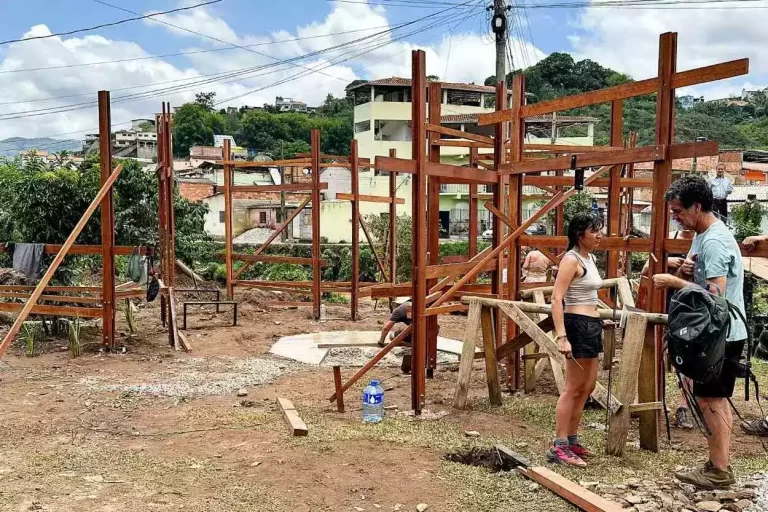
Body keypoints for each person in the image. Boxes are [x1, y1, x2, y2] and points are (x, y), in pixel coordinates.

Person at [652, 175, 746, 489]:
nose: (675, 217)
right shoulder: (701, 235)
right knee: (708, 399)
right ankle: (715, 464)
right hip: (709, 333)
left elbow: (715, 296)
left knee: (714, 400)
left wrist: (675, 281)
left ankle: (719, 470)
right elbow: (700, 279)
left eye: (679, 211)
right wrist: (684, 269)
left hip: (723, 333)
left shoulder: (716, 241)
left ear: (699, 205)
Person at [547, 211, 604, 468]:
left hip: (592, 323)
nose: (599, 235)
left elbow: (589, 294)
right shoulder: (570, 259)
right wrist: (562, 337)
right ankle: (558, 446)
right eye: (595, 231)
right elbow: (557, 298)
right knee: (573, 387)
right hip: (576, 325)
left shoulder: (589, 258)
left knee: (588, 387)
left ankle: (572, 439)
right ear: (581, 235)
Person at [636, 228, 697, 430]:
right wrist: (665, 263)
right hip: (664, 306)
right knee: (658, 355)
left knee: (689, 359)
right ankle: (651, 400)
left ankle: (683, 408)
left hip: (691, 310)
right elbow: (644, 271)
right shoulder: (668, 235)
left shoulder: (703, 240)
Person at [378, 300, 413, 374]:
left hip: (418, 331)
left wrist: (381, 342)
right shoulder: (417, 304)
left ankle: (412, 345)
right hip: (430, 332)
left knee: (392, 336)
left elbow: (386, 328)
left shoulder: (399, 310)